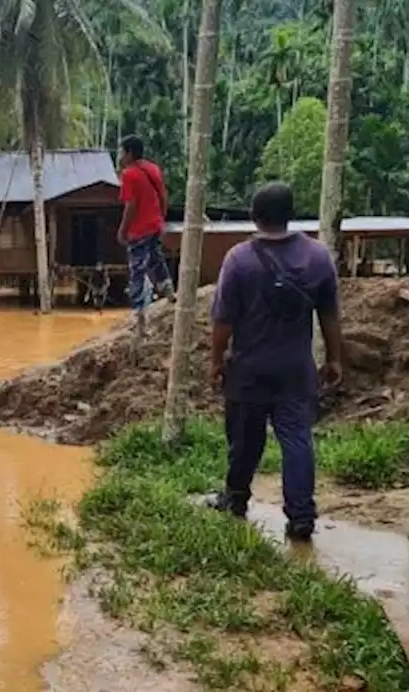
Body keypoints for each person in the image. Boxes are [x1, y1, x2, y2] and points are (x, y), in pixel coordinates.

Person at [206, 182, 344, 541]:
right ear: (291, 214)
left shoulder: (238, 260)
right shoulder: (318, 257)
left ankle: (235, 499)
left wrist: (216, 361)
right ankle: (300, 517)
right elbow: (330, 315)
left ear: (254, 217)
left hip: (249, 370)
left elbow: (223, 320)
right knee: (297, 441)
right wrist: (334, 359)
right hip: (295, 371)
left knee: (244, 440)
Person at [117, 135, 175, 336]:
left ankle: (140, 317)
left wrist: (123, 229)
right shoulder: (153, 169)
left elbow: (130, 206)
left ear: (130, 153)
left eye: (122, 152)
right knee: (156, 259)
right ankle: (168, 292)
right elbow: (163, 195)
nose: (120, 156)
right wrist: (161, 217)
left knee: (137, 270)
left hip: (139, 230)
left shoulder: (129, 174)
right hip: (154, 225)